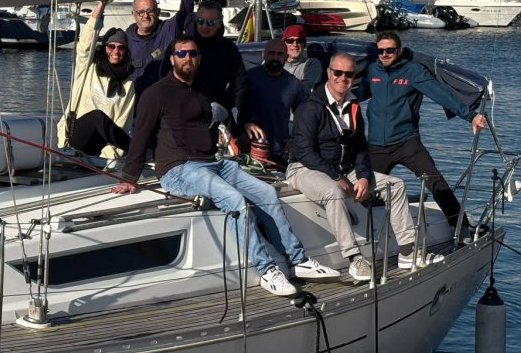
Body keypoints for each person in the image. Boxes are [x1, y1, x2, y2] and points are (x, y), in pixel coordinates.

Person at [112, 35, 337, 295]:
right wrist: (129, 177)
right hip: (179, 168)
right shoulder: (156, 94)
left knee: (266, 193)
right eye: (181, 54)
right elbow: (141, 135)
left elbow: (223, 116)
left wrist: (231, 121)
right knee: (234, 200)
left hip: (213, 162)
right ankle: (267, 270)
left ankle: (298, 261)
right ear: (172, 59)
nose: (187, 58)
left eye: (192, 53)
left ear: (199, 57)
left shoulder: (203, 88)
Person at [286, 51, 438, 284]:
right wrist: (336, 176)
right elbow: (304, 151)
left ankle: (407, 252)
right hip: (303, 167)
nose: (342, 78)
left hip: (342, 168)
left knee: (396, 186)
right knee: (333, 191)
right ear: (328, 73)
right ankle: (354, 258)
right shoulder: (311, 107)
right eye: (338, 73)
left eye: (348, 74)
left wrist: (364, 177)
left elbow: (359, 149)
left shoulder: (353, 106)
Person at [360, 31, 487, 236]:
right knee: (364, 190)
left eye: (389, 50)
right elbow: (356, 94)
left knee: (435, 181)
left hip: (406, 143)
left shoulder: (414, 71)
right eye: (380, 51)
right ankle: (371, 233)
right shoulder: (372, 70)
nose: (384, 54)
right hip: (376, 145)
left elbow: (441, 95)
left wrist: (470, 116)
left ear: (399, 50)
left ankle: (461, 227)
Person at [58, 0, 135, 160]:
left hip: (101, 146)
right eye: (111, 46)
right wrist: (101, 6)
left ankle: (134, 151)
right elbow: (85, 45)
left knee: (105, 122)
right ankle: (136, 150)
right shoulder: (88, 68)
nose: (116, 51)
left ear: (126, 52)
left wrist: (109, 157)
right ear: (104, 47)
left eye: (121, 47)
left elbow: (122, 123)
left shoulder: (128, 85)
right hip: (74, 138)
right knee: (97, 116)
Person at [126, 0, 195, 96]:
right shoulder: (125, 39)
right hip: (134, 102)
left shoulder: (168, 30)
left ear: (158, 12)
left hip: (163, 100)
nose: (145, 16)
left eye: (150, 11)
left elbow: (186, 11)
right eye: (140, 12)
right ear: (133, 14)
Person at [188, 0, 249, 134]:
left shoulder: (228, 49)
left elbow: (239, 84)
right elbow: (167, 77)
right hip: (184, 113)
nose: (204, 26)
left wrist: (227, 108)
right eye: (200, 21)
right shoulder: (183, 45)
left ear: (219, 23)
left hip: (215, 114)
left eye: (210, 22)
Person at [244, 39, 305, 165]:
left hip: (279, 156)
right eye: (271, 53)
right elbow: (230, 108)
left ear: (286, 57)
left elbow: (304, 119)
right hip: (247, 152)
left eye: (280, 54)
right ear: (263, 54)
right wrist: (241, 128)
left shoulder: (294, 85)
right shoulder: (248, 78)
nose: (275, 58)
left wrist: (293, 140)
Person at [282, 24, 321, 88]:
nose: (295, 44)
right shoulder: (275, 63)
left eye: (299, 41)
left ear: (304, 45)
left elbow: (306, 88)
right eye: (290, 41)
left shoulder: (312, 64)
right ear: (283, 44)